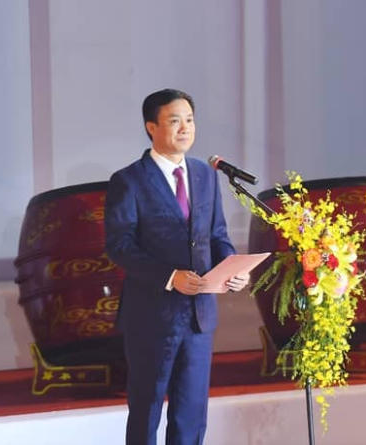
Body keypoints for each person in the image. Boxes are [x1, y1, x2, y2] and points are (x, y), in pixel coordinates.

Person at [105, 88, 248, 444]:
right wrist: (170, 277)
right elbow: (120, 246)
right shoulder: (129, 180)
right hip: (151, 317)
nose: (185, 128)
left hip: (199, 317)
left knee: (191, 414)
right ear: (151, 127)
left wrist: (232, 268)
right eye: (174, 121)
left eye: (190, 120)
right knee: (146, 412)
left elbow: (217, 235)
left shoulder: (204, 175)